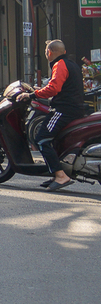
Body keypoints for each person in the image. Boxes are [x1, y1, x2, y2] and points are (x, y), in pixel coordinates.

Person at [33, 38, 89, 191]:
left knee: (42, 138)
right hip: (75, 108)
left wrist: (34, 94)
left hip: (64, 110)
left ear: (49, 53)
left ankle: (61, 176)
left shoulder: (59, 65)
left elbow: (53, 89)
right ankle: (56, 173)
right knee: (55, 139)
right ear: (64, 52)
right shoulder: (72, 64)